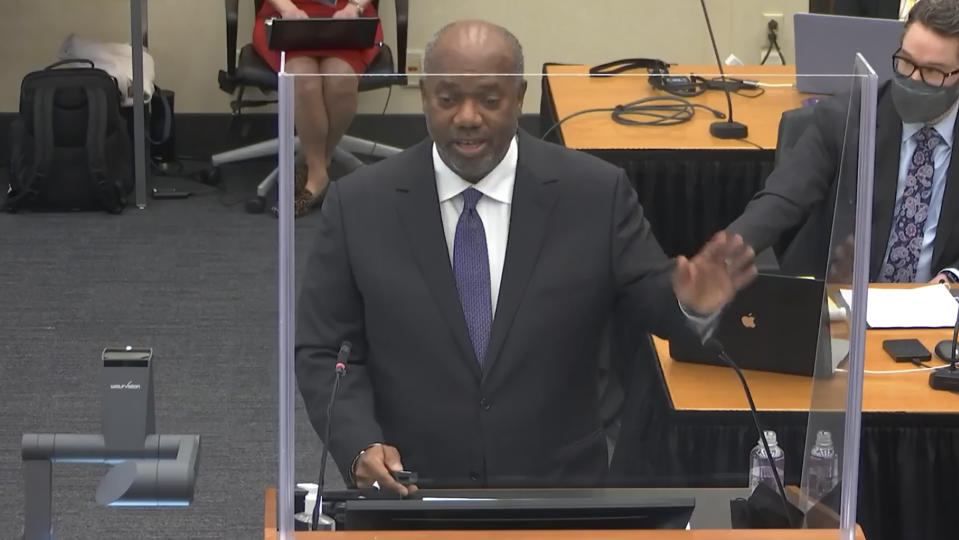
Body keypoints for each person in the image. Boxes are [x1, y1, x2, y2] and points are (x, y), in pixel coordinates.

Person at [295, 20, 757, 495]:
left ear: (519, 97)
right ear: (425, 95)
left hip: (557, 491)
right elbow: (325, 349)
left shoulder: (595, 194)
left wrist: (691, 302)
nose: (467, 117)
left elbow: (652, 306)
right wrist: (358, 445)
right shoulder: (360, 204)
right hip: (412, 491)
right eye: (448, 99)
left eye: (490, 100)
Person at [728, 0, 959, 284]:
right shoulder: (845, 118)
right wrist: (722, 258)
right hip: (842, 304)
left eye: (933, 72)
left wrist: (953, 276)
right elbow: (781, 199)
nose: (913, 78)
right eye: (906, 62)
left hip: (938, 318)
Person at [252, 0, 384, 217]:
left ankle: (318, 161)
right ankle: (317, 174)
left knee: (340, 78)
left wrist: (355, 7)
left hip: (348, 16)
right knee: (303, 78)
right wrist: (288, 9)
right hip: (287, 16)